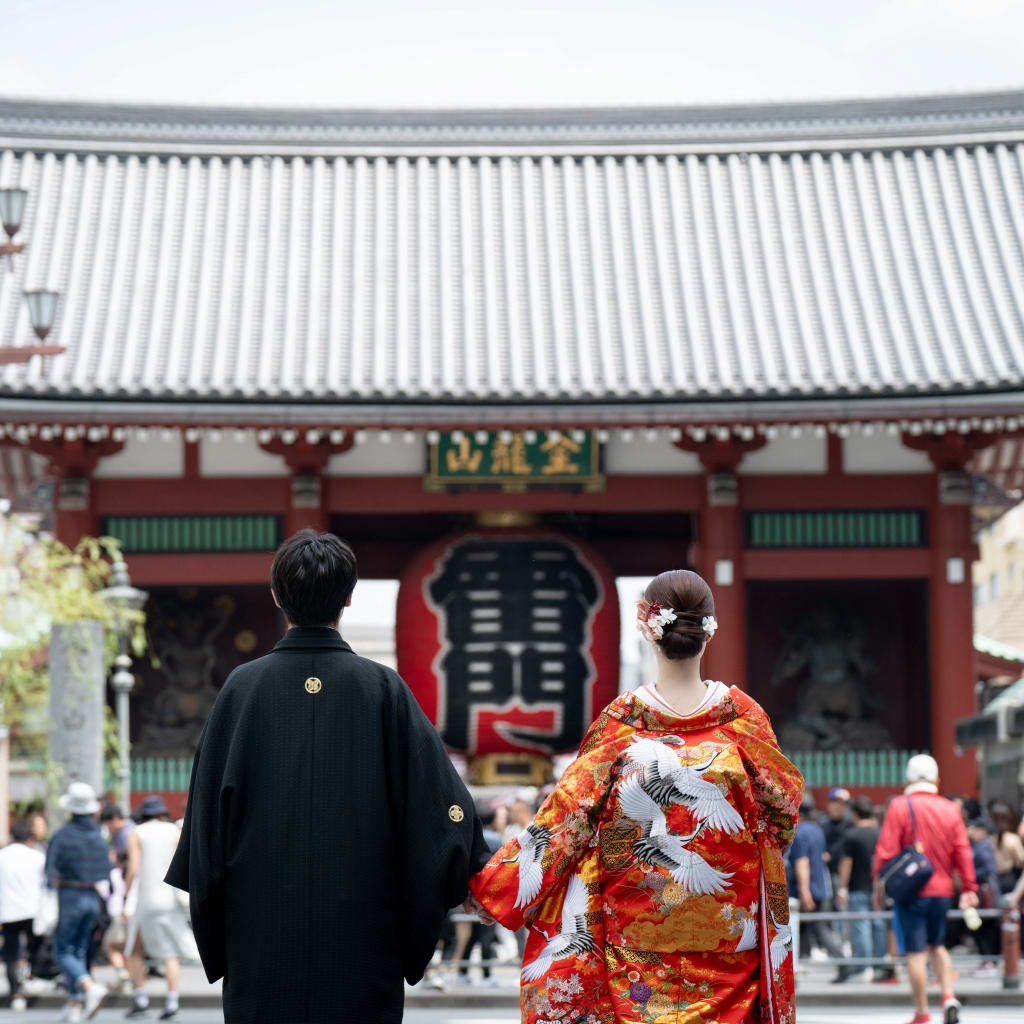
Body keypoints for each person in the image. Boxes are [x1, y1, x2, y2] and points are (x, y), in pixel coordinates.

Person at [166, 529, 489, 1024]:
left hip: (262, 945)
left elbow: (208, 825)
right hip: (363, 943)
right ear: (349, 598)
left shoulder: (241, 691)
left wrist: (223, 931)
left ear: (277, 595)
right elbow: (446, 813)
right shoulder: (383, 689)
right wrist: (463, 875)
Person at [468, 569, 804, 1024]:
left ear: (648, 628)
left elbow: (565, 821)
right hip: (732, 946)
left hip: (636, 951)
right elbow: (781, 819)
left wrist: (495, 891)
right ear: (708, 630)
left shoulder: (622, 724)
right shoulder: (746, 722)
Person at [874, 754, 978, 1024]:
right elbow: (963, 850)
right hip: (943, 892)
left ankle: (922, 1013)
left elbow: (885, 852)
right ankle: (948, 995)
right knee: (938, 945)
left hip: (912, 892)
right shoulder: (950, 809)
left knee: (917, 953)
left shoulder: (899, 806)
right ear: (937, 780)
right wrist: (969, 886)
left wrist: (879, 884)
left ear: (908, 779)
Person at [123, 795, 198, 1019]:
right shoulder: (174, 831)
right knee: (170, 953)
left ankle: (141, 998)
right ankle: (172, 1001)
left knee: (134, 949)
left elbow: (134, 868)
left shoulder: (137, 833)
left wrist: (126, 893)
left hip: (145, 898)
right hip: (170, 898)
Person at [44, 782, 111, 1022]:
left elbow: (49, 870)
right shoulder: (98, 835)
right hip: (92, 896)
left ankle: (88, 987)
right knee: (79, 950)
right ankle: (74, 1003)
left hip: (70, 895)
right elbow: (106, 868)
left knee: (62, 951)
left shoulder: (62, 835)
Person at [790, 793, 848, 976]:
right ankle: (796, 964)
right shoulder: (816, 830)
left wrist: (804, 890)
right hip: (822, 886)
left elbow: (802, 862)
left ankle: (844, 963)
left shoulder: (800, 833)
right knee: (807, 928)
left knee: (818, 928)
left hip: (811, 889)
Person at [837, 796, 892, 982]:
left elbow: (847, 863)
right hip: (878, 887)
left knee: (861, 927)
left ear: (855, 813)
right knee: (878, 925)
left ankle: (863, 967)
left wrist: (842, 888)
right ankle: (879, 964)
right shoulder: (880, 833)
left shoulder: (851, 835)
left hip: (857, 887)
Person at [0, 820, 46, 1012]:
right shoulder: (37, 856)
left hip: (8, 911)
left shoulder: (2, 856)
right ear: (30, 837)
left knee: (10, 953)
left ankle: (16, 993)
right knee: (36, 946)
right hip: (33, 910)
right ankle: (30, 974)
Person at [965, 816, 1000, 977]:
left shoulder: (983, 846)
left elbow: (988, 869)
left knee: (985, 927)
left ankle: (989, 961)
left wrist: (970, 874)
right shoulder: (980, 845)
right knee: (981, 926)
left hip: (985, 892)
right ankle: (987, 960)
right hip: (982, 890)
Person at [989, 801, 1024, 896]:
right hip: (1009, 879)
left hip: (993, 879)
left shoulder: (990, 839)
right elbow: (1020, 861)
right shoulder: (1013, 839)